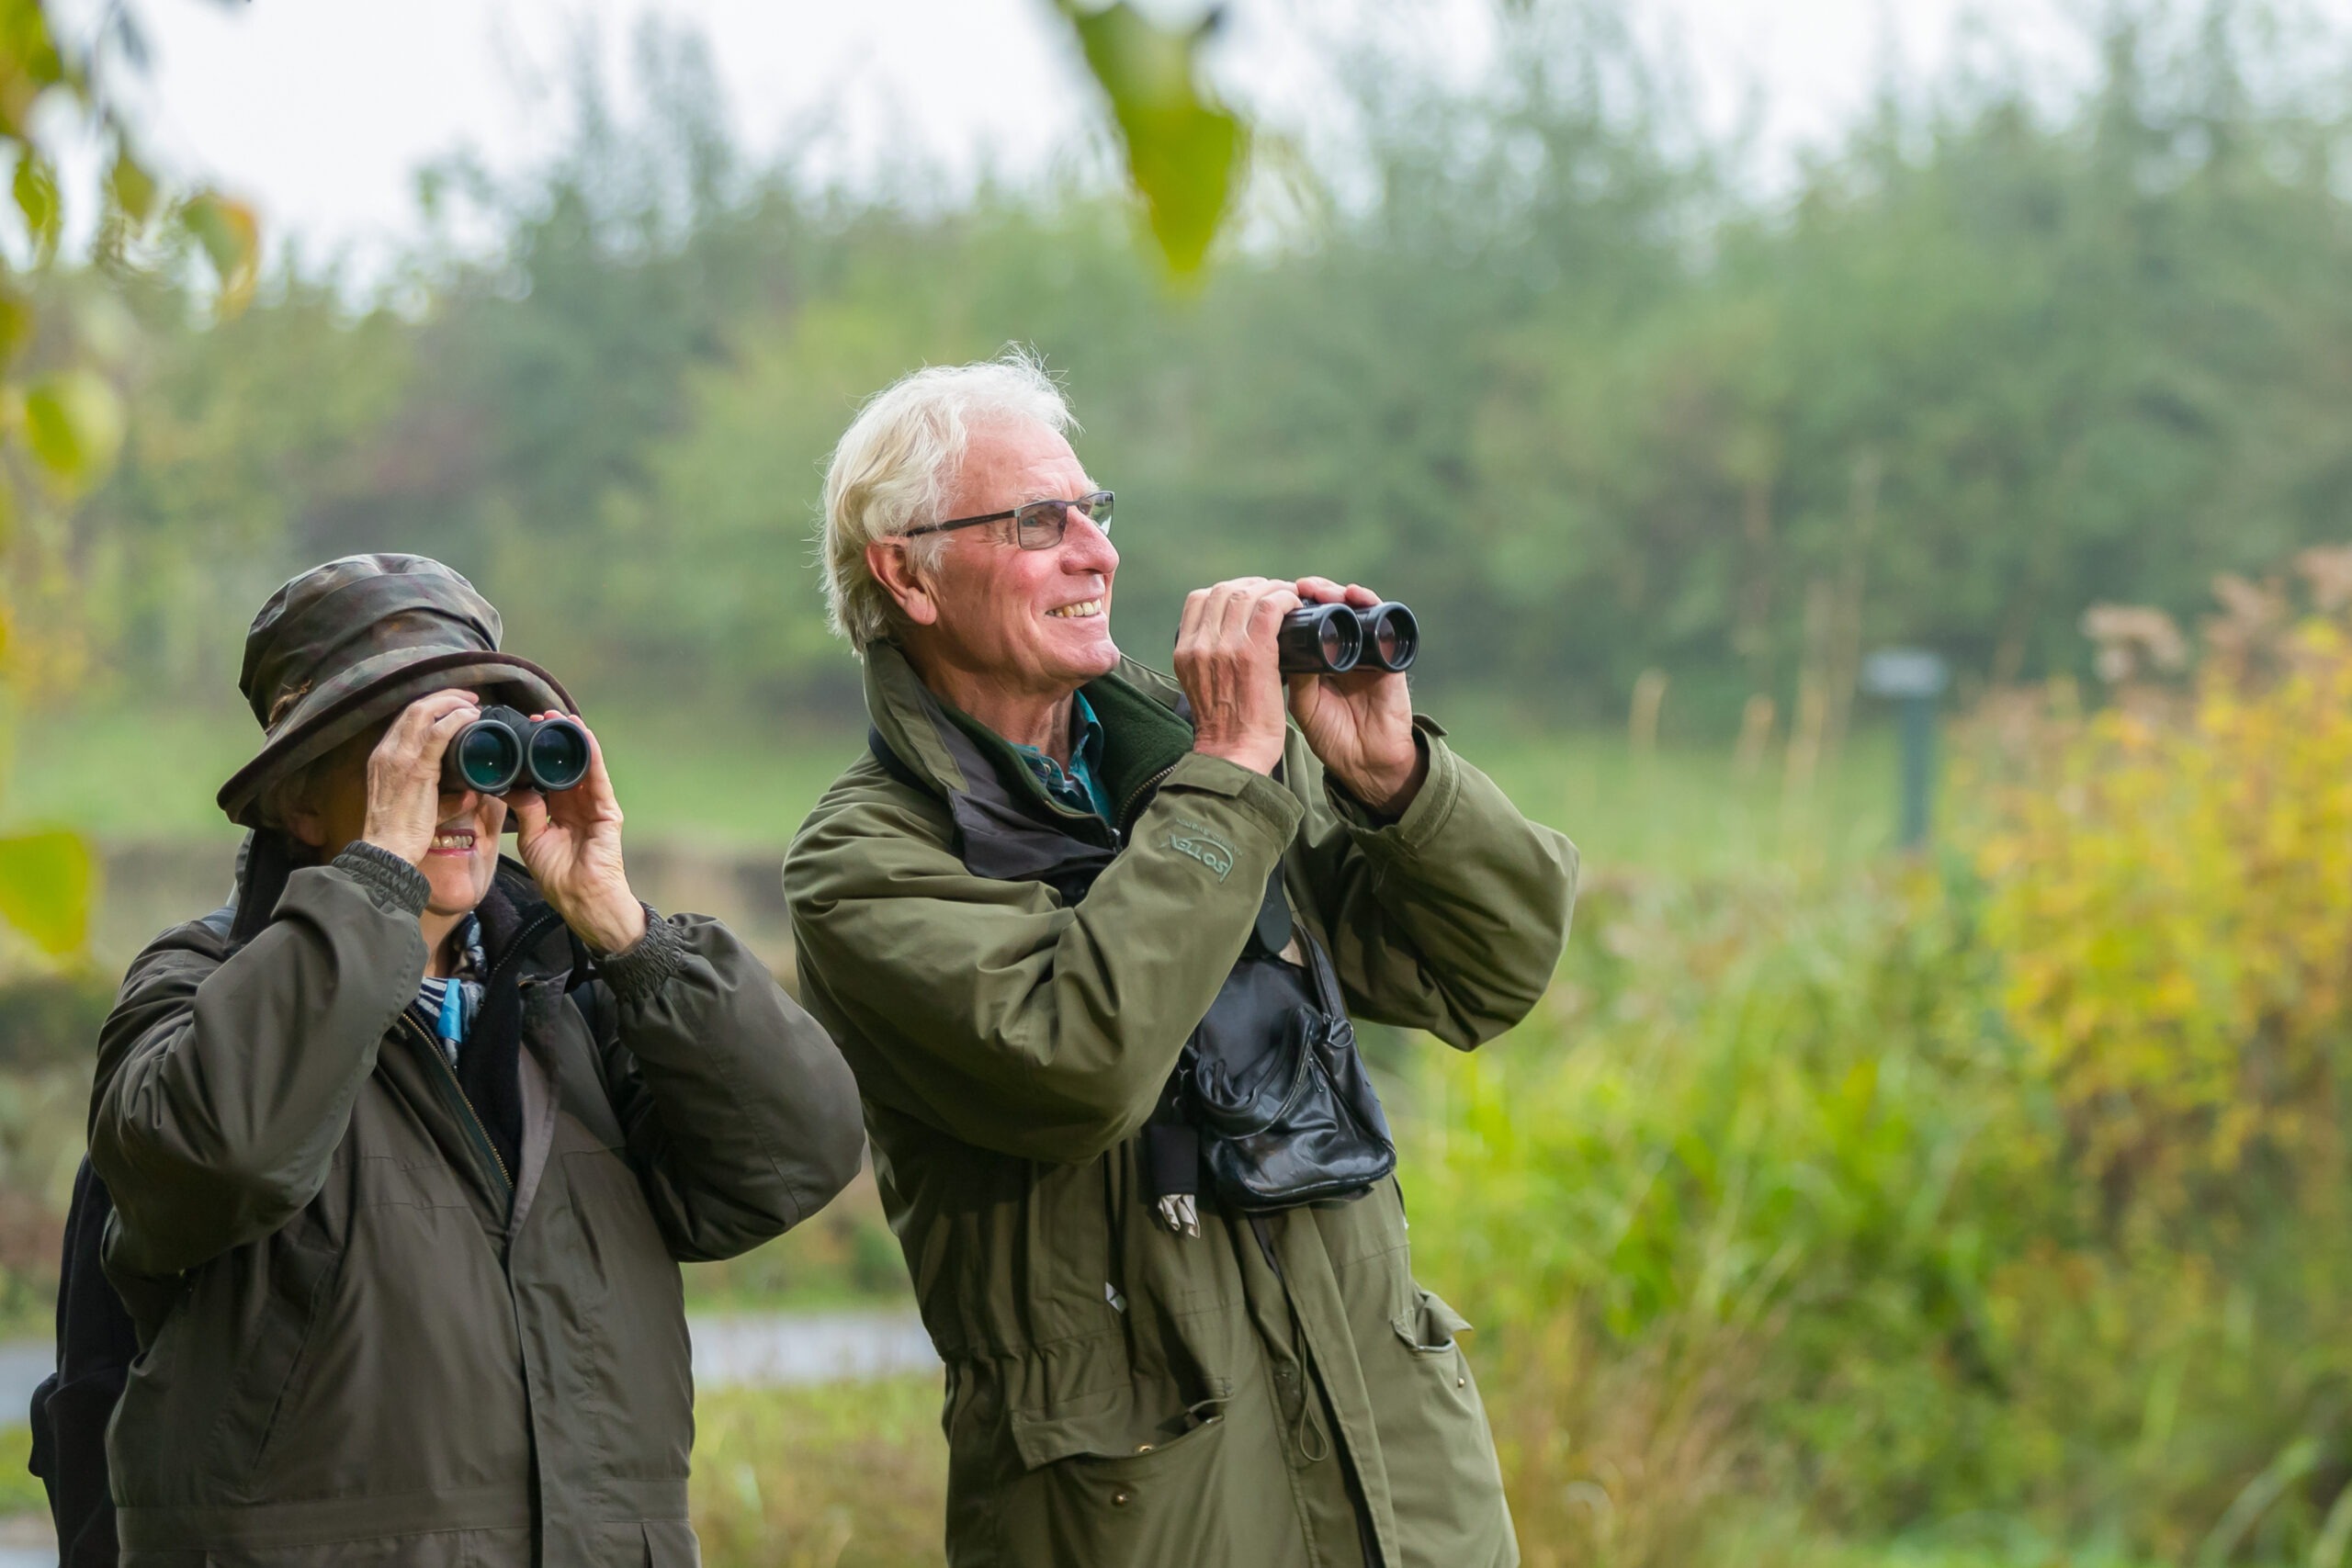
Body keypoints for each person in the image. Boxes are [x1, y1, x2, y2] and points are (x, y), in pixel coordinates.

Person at [785, 352, 1578, 1567]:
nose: (1094, 553)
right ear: (908, 571)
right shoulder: (868, 857)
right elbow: (1077, 1058)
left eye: (1092, 513)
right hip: (1142, 1516)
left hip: (1402, 1485)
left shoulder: (1198, 770)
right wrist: (1227, 777)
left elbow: (1493, 968)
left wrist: (1390, 775)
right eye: (1035, 521)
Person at [75, 553, 864, 1567]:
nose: (457, 793)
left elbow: (797, 1155)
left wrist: (628, 935)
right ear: (299, 806)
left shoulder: (576, 994)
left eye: (480, 749)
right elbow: (219, 1155)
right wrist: (374, 889)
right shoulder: (200, 984)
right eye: (399, 755)